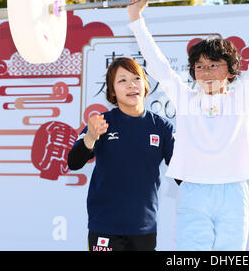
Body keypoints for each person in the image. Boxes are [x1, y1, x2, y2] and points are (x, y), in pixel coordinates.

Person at [127, 0, 249, 251]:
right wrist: (136, 19)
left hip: (232, 190)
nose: (206, 72)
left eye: (213, 65)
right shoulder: (185, 99)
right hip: (193, 191)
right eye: (199, 66)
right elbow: (158, 66)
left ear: (231, 72)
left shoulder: (240, 97)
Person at [67, 57, 175, 251]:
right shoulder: (101, 123)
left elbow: (182, 172)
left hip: (144, 228)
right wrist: (90, 137)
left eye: (136, 78)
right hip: (105, 226)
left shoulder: (162, 127)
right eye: (122, 80)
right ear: (112, 91)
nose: (131, 85)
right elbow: (73, 162)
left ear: (145, 85)